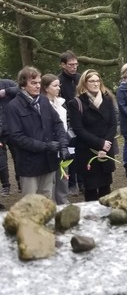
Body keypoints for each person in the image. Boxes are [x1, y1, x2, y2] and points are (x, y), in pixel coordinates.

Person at [7, 67, 69, 200]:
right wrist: (45, 146)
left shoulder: (43, 100)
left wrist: (63, 144)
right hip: (29, 165)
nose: (38, 86)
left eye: (39, 82)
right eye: (33, 83)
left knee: (47, 201)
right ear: (23, 84)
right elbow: (16, 137)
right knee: (30, 204)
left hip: (48, 162)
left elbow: (57, 123)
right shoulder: (14, 106)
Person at [67, 69, 117, 201]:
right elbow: (78, 129)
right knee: (91, 190)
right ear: (84, 83)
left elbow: (113, 124)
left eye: (97, 80)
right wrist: (100, 143)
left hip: (106, 150)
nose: (95, 84)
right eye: (91, 81)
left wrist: (106, 144)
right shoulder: (76, 103)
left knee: (106, 188)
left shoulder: (108, 99)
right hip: (87, 151)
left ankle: (106, 217)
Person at [42, 74, 71, 204]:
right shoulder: (41, 105)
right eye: (55, 86)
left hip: (63, 143)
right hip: (49, 145)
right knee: (50, 178)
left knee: (64, 175)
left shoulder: (61, 103)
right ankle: (51, 204)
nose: (58, 88)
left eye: (59, 85)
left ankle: (63, 201)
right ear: (46, 88)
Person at [58, 50, 82, 195]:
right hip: (68, 122)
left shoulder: (81, 78)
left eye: (76, 64)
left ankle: (84, 182)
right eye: (71, 64)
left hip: (83, 120)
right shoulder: (58, 81)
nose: (74, 67)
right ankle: (72, 183)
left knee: (84, 151)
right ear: (63, 65)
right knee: (71, 154)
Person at [0, 79, 18, 196]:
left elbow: (21, 89)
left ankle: (21, 181)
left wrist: (6, 91)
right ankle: (6, 185)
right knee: (1, 162)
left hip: (13, 128)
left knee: (18, 157)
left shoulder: (7, 83)